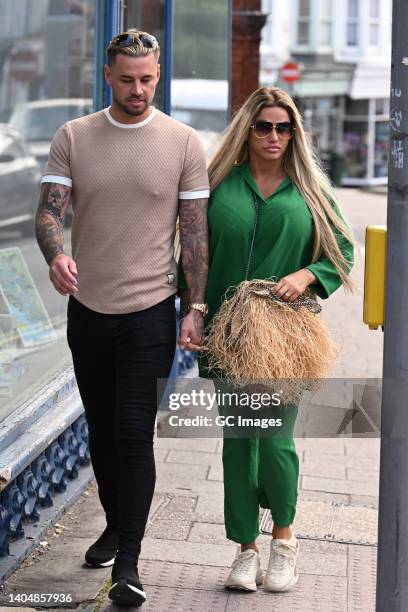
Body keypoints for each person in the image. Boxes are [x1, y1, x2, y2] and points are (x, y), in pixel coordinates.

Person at [35, 30, 209, 607]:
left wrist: (196, 307)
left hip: (150, 313)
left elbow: (194, 234)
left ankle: (129, 563)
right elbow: (47, 214)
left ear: (159, 76)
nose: (138, 89)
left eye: (148, 79)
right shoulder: (74, 136)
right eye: (128, 78)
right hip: (88, 311)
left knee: (133, 434)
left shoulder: (183, 142)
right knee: (102, 433)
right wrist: (55, 253)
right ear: (107, 76)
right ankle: (115, 523)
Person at [179, 87, 354, 593]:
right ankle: (244, 550)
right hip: (229, 335)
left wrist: (308, 274)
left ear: (294, 133)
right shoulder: (217, 185)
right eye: (263, 126)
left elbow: (342, 249)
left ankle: (283, 541)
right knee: (239, 443)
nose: (274, 136)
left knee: (275, 441)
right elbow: (191, 251)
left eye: (284, 127)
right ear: (247, 130)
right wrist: (191, 312)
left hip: (285, 336)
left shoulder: (311, 191)